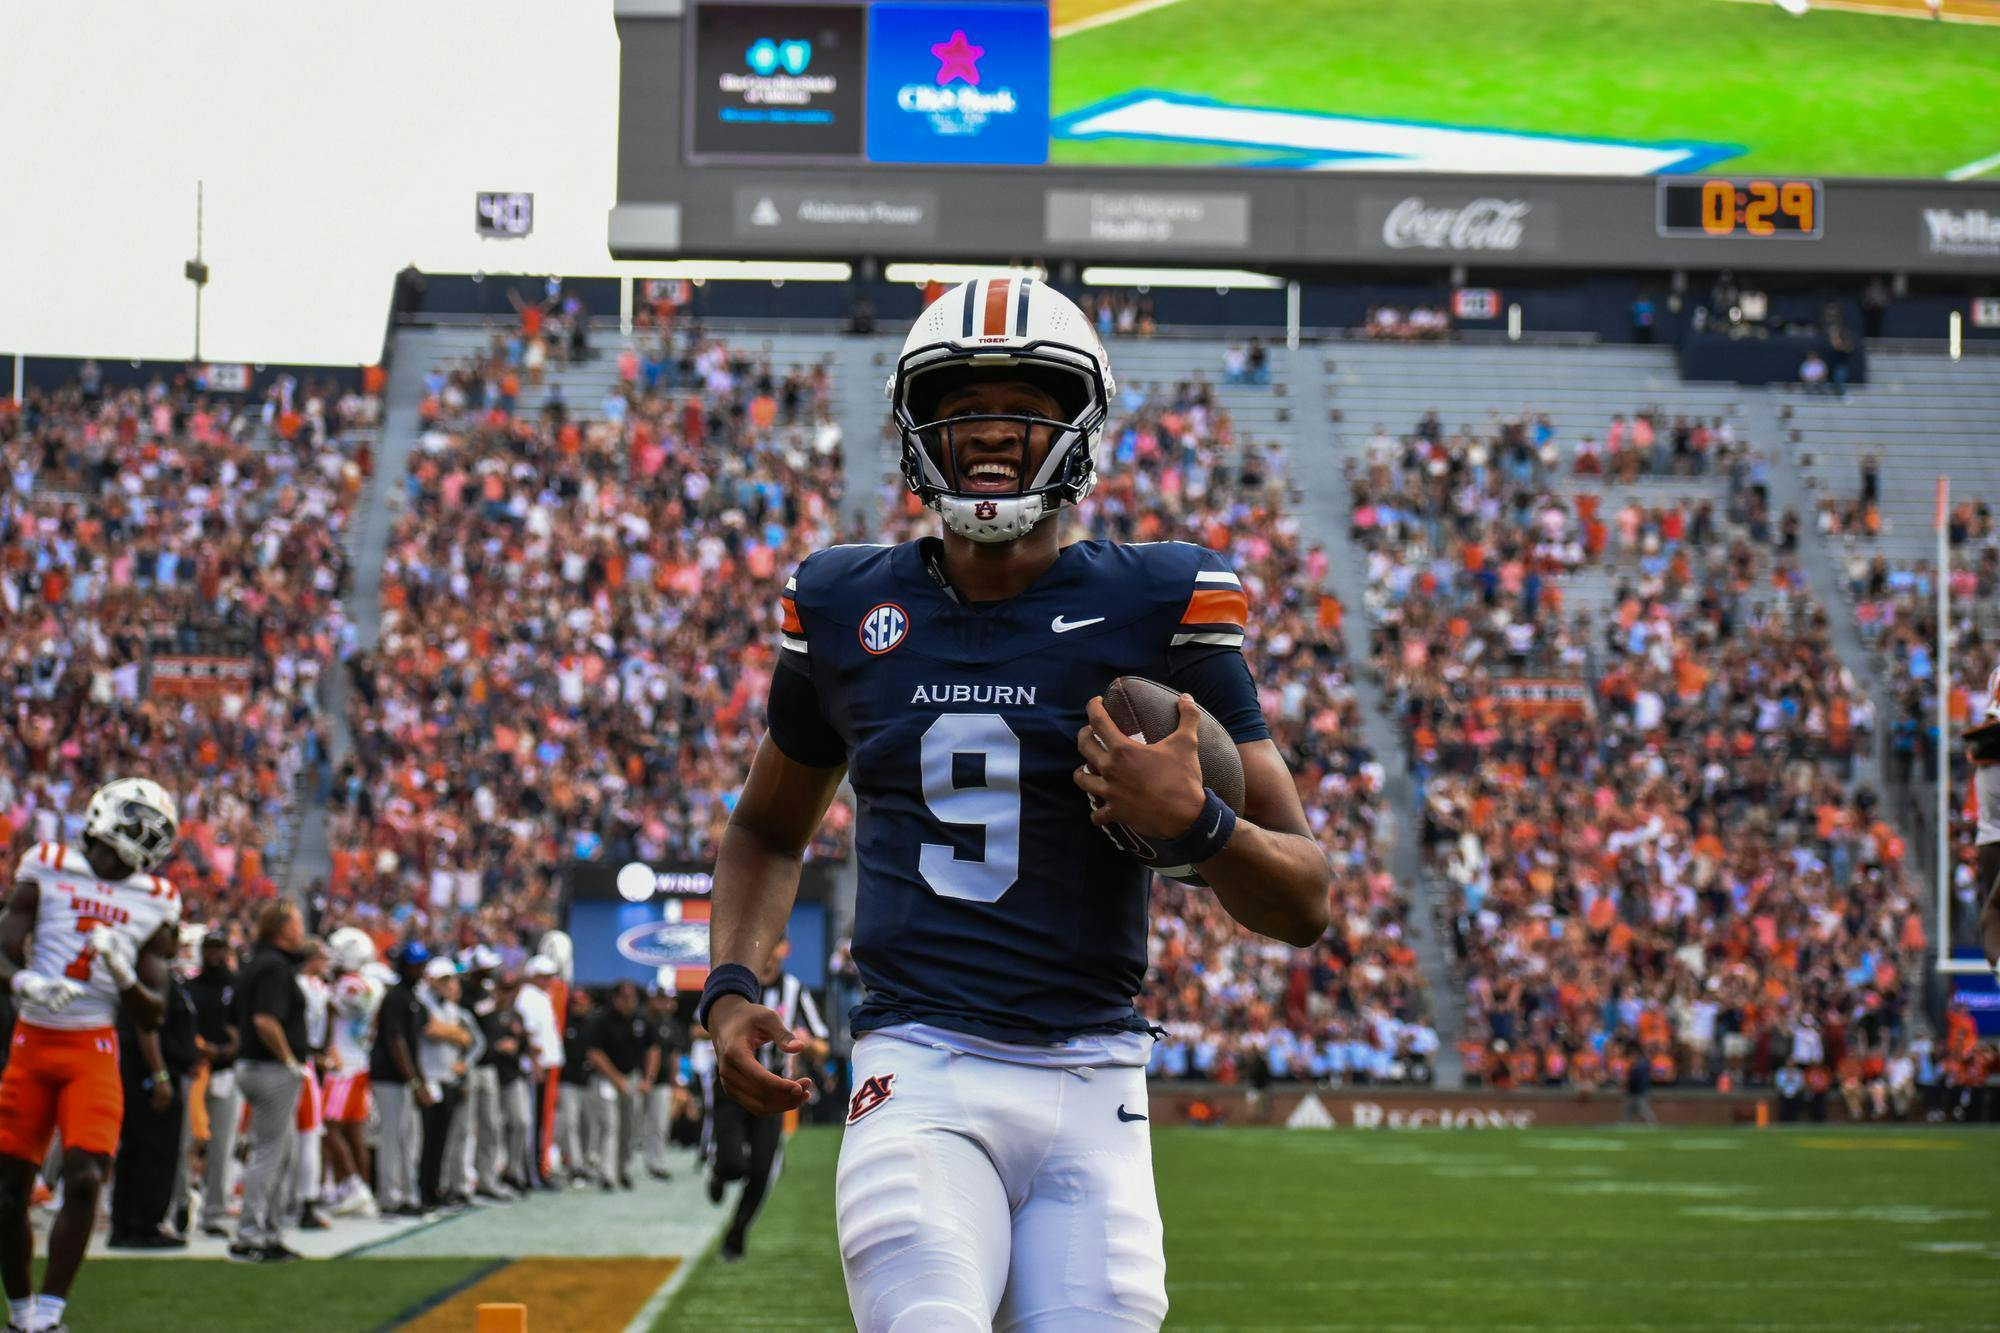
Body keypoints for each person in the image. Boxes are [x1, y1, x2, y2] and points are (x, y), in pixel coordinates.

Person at [701, 278, 1331, 1330]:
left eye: (1024, 405)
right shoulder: (845, 603)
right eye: (962, 405)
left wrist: (1197, 825)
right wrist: (727, 988)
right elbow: (767, 826)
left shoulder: (1160, 603)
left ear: (1077, 425)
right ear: (917, 427)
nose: (991, 432)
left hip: (1095, 1078)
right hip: (920, 1064)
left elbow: (1305, 898)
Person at [0, 778, 183, 1333]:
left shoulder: (156, 899)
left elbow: (154, 1012)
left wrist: (123, 971)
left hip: (93, 1046)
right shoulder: (47, 863)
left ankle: (50, 1315)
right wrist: (24, 981)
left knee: (83, 1178)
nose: (118, 863)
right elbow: (2, 952)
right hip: (32, 1040)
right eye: (114, 849)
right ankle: (22, 1312)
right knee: (7, 1193)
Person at [705, 938, 827, 1263]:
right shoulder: (735, 986)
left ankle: (735, 1235)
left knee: (761, 1171)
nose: (768, 951)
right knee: (733, 1165)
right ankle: (719, 1173)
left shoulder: (795, 989)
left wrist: (808, 1044)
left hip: (772, 1087)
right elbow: (699, 1027)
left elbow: (822, 1044)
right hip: (732, 1081)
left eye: (774, 943)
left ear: (784, 948)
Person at [230, 900, 309, 1263]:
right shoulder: (274, 966)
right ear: (284, 927)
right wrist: (289, 1059)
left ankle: (270, 1232)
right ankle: (251, 1235)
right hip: (269, 1069)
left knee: (282, 1153)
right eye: (296, 921)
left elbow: (236, 1019)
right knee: (269, 1155)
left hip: (251, 1065)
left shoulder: (254, 962)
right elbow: (265, 1020)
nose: (302, 927)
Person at [108, 964, 197, 1248]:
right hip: (150, 1075)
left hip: (144, 1073)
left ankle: (126, 1224)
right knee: (153, 1151)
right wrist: (159, 1075)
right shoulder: (151, 974)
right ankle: (143, 1224)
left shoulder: (151, 975)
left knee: (137, 1150)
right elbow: (148, 1027)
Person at [320, 929, 381, 1216]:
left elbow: (329, 1014)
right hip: (359, 1063)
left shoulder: (347, 986)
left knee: (329, 1127)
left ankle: (351, 1183)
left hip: (342, 1066)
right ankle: (363, 1189)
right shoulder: (369, 985)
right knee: (354, 1130)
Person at [369, 943, 432, 1217]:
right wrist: (415, 1082)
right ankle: (390, 1198)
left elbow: (411, 1043)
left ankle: (407, 1193)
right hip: (389, 1078)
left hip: (404, 1079)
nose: (420, 970)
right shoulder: (396, 997)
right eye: (415, 965)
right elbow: (396, 1042)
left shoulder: (411, 997)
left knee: (407, 1138)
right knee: (392, 1137)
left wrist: (419, 1080)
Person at [186, 931, 240, 1239]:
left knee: (222, 1144)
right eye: (210, 949)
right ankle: (180, 1204)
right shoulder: (191, 987)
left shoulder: (236, 986)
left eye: (220, 949)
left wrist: (228, 1049)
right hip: (195, 1069)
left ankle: (215, 1211)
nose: (214, 955)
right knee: (187, 1142)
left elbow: (242, 1026)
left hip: (226, 1071)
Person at [414, 960, 480, 1212]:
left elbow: (468, 1038)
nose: (448, 985)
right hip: (429, 1077)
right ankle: (421, 1190)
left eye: (450, 980)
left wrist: (450, 1032)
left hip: (447, 1079)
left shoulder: (451, 1008)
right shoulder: (423, 1001)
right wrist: (452, 1033)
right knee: (425, 1139)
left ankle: (434, 1188)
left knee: (441, 1139)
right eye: (443, 980)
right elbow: (430, 1029)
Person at [585, 981, 654, 1192]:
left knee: (629, 1127)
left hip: (631, 1076)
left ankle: (623, 1169)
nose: (628, 1002)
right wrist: (616, 1079)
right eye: (624, 998)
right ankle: (607, 1173)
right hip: (606, 1078)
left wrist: (647, 1078)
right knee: (610, 1126)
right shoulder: (601, 1019)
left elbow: (652, 1049)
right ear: (615, 999)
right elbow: (594, 1053)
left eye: (631, 998)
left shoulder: (641, 1018)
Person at [638, 976, 687, 1182]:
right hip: (638, 1079)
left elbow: (674, 1054)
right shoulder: (641, 1019)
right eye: (660, 998)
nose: (665, 1003)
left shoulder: (672, 1025)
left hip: (662, 1081)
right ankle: (627, 1161)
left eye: (667, 999)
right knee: (632, 1123)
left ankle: (656, 1161)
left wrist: (675, 1080)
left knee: (659, 1123)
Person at [555, 987, 598, 1187]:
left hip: (589, 1081)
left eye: (581, 1002)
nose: (577, 1006)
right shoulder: (565, 1023)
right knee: (570, 1124)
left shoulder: (594, 1025)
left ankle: (587, 1161)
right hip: (569, 1081)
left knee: (588, 1125)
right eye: (574, 1003)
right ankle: (575, 1166)